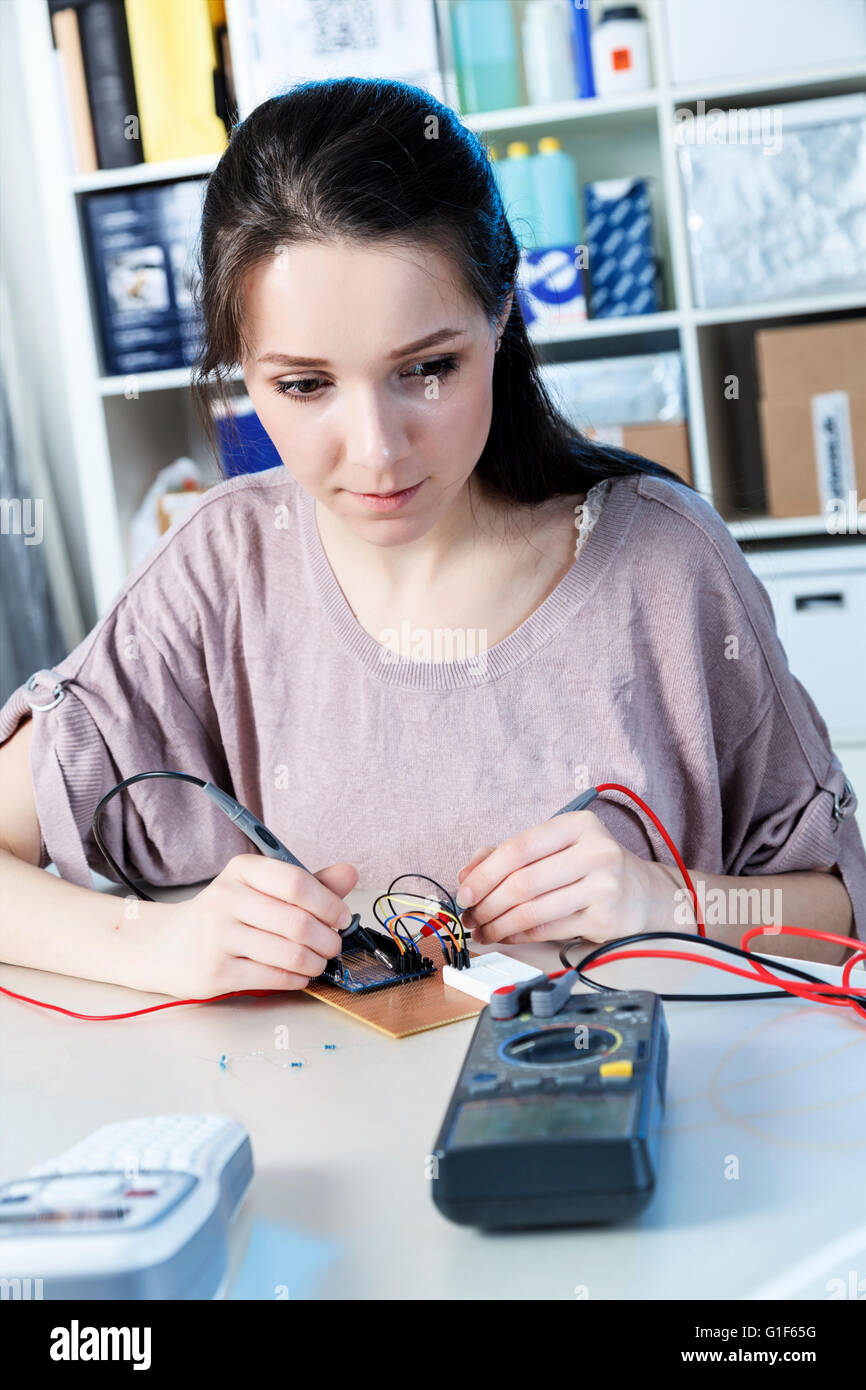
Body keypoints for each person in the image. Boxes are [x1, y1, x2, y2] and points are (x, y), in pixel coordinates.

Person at [1, 78, 863, 1002]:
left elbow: (837, 909)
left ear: (501, 316)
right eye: (303, 385)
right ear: (239, 370)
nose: (376, 452)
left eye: (428, 368)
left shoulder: (668, 566)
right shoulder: (221, 570)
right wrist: (161, 943)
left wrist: (671, 900)